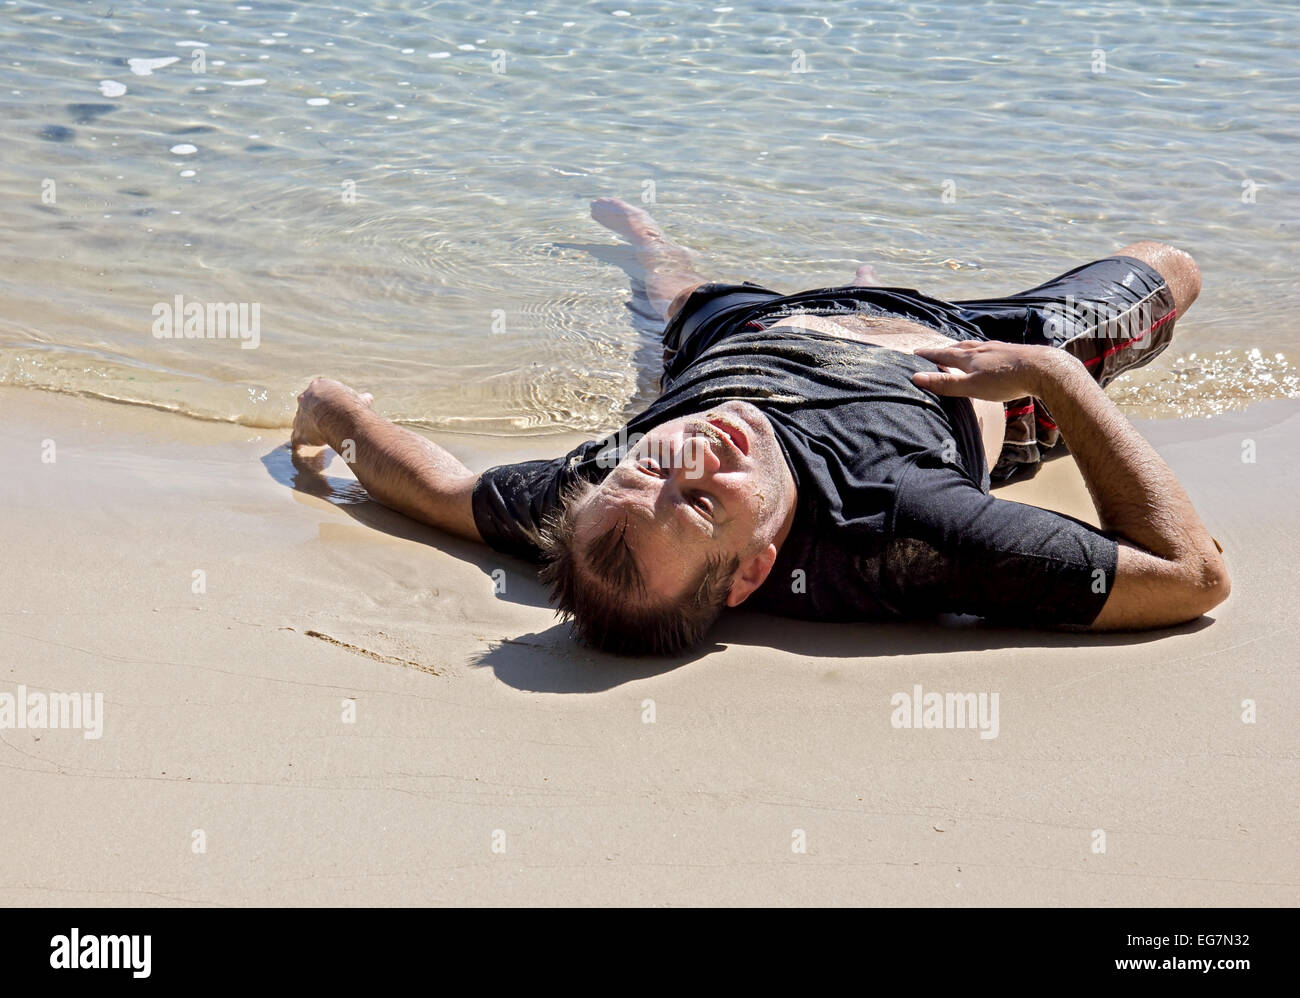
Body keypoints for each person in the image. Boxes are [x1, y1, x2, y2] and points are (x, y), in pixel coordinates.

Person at [290, 198, 1228, 655]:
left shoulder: (604, 505)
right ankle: (876, 284)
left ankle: (652, 247)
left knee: (666, 295)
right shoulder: (908, 525)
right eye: (702, 502)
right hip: (971, 351)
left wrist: (341, 413)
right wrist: (1056, 379)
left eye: (643, 470)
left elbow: (443, 491)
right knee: (1170, 269)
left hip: (745, 332)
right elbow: (1193, 577)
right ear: (751, 572)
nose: (687, 456)